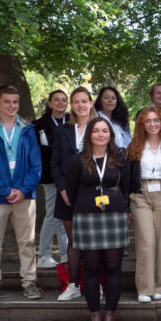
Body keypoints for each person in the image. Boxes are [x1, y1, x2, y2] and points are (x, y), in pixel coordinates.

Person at [0, 85, 43, 303]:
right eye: (7, 101)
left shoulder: (28, 130)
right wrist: (5, 190)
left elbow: (36, 165)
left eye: (15, 101)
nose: (12, 106)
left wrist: (23, 190)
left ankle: (29, 282)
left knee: (27, 242)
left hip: (25, 195)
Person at [65, 116, 130, 321]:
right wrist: (85, 204)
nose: (100, 135)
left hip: (114, 217)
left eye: (104, 131)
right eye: (96, 131)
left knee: (113, 267)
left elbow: (126, 187)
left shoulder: (119, 159)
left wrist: (120, 204)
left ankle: (110, 313)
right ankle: (94, 314)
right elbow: (71, 190)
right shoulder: (78, 160)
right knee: (91, 268)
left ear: (110, 135)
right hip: (87, 217)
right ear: (89, 135)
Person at [127, 107, 161, 303]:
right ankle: (145, 288)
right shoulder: (134, 146)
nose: (152, 124)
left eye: (156, 120)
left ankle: (160, 286)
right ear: (142, 124)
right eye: (148, 121)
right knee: (146, 241)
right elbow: (127, 176)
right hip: (140, 194)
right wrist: (127, 204)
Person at [51, 87, 97, 301]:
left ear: (91, 103)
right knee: (74, 240)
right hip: (67, 194)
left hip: (93, 193)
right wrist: (62, 190)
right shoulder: (63, 130)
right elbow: (54, 164)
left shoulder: (99, 128)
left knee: (94, 241)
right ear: (72, 105)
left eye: (84, 101)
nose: (80, 105)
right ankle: (73, 284)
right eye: (76, 102)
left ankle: (95, 284)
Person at [33, 90, 69, 268]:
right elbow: (37, 151)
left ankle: (65, 254)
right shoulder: (38, 125)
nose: (60, 103)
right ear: (49, 103)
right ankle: (44, 254)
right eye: (56, 100)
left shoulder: (72, 121)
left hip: (69, 176)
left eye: (64, 100)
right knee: (52, 215)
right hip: (50, 176)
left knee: (65, 216)